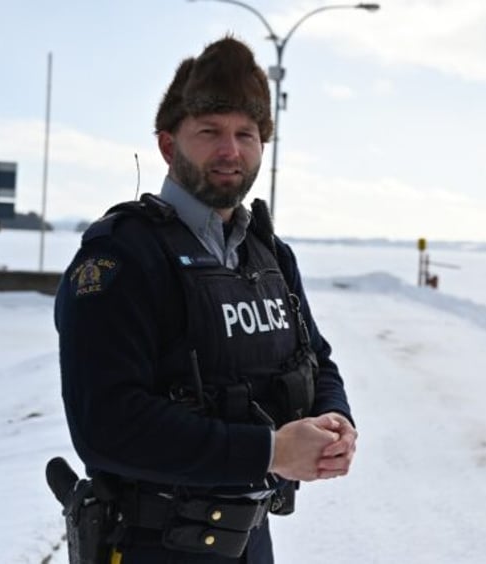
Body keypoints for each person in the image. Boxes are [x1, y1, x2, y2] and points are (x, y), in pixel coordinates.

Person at [54, 35, 357, 564]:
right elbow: (106, 424)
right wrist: (269, 451)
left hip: (249, 539)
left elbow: (315, 358)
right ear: (169, 145)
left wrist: (335, 419)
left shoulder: (268, 253)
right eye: (210, 131)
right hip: (152, 546)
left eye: (247, 133)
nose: (230, 150)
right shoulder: (122, 257)